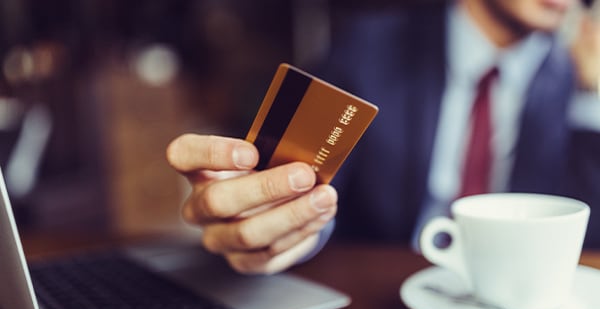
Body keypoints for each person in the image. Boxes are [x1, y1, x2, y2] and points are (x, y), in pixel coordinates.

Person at [166, 0, 600, 274]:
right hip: (379, 298)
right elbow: (311, 186)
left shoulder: (573, 76)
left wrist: (591, 101)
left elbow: (584, 235)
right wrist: (284, 228)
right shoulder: (369, 44)